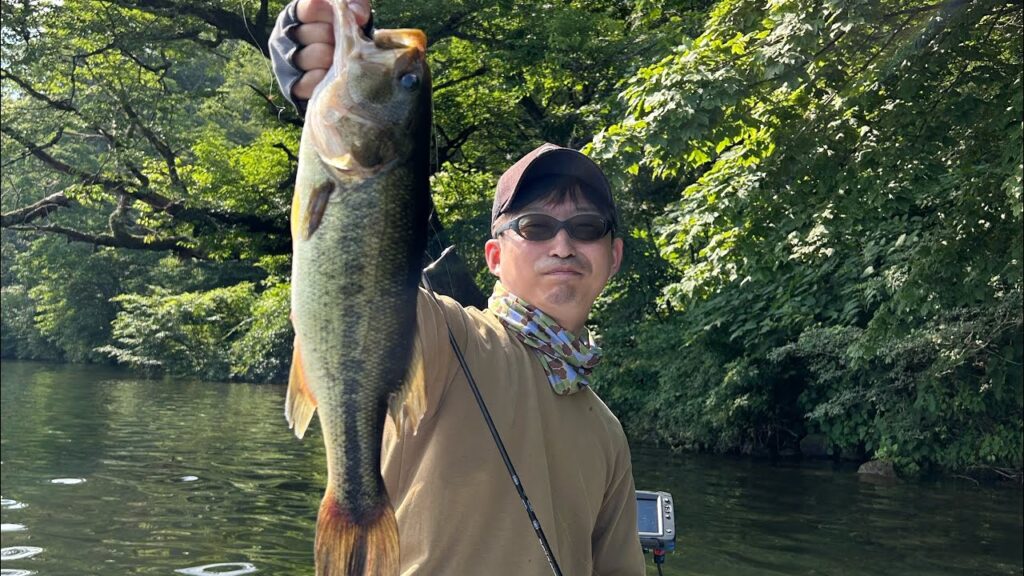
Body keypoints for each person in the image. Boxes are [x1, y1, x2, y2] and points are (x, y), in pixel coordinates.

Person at [269, 1, 645, 573]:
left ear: (612, 256)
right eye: (536, 228)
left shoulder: (606, 432)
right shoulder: (451, 337)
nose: (563, 245)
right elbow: (366, 288)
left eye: (586, 229)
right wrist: (307, 37)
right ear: (494, 256)